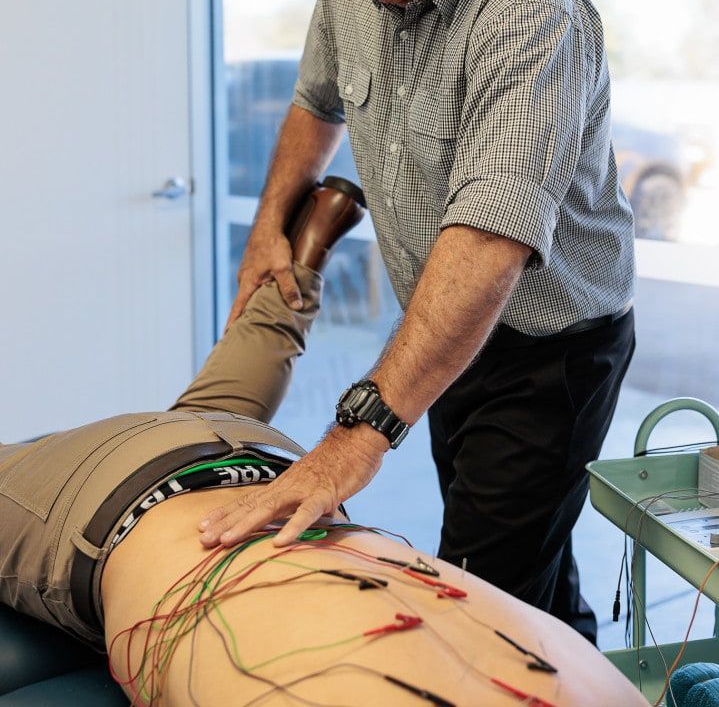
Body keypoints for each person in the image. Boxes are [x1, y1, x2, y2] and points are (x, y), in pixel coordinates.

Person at [204, 0, 637, 646]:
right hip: (441, 331)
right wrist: (265, 229)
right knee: (530, 577)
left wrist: (358, 431)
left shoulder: (527, 13)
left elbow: (485, 246)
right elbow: (314, 104)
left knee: (472, 594)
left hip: (548, 350)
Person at [0, 181, 644, 706]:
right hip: (202, 478)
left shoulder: (604, 689)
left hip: (193, 473)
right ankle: (299, 269)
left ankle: (301, 270)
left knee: (211, 408)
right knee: (210, 408)